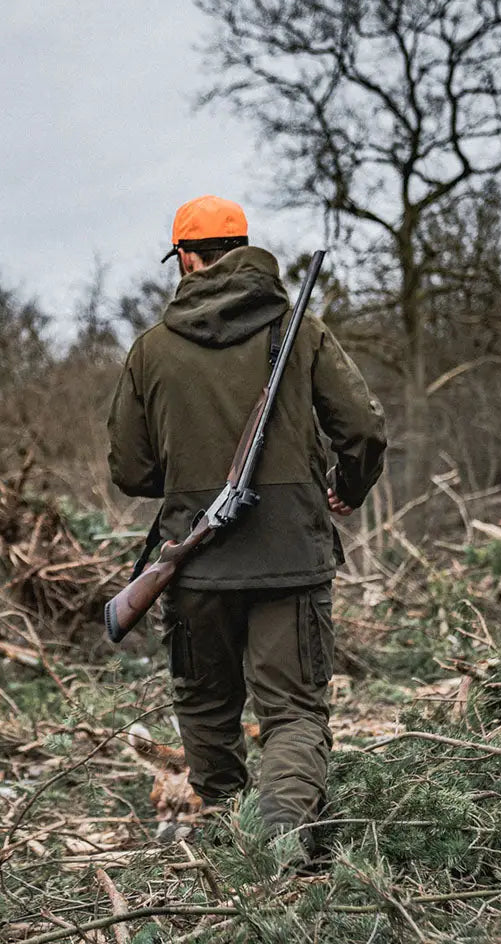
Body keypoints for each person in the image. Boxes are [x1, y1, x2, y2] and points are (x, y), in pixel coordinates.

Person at [107, 194, 386, 860]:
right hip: (291, 555)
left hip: (194, 561)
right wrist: (346, 488)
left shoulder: (150, 351)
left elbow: (130, 467)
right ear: (245, 249)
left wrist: (188, 484)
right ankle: (286, 839)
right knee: (292, 713)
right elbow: (365, 429)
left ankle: (237, 847)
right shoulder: (299, 330)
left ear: (186, 259)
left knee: (206, 712)